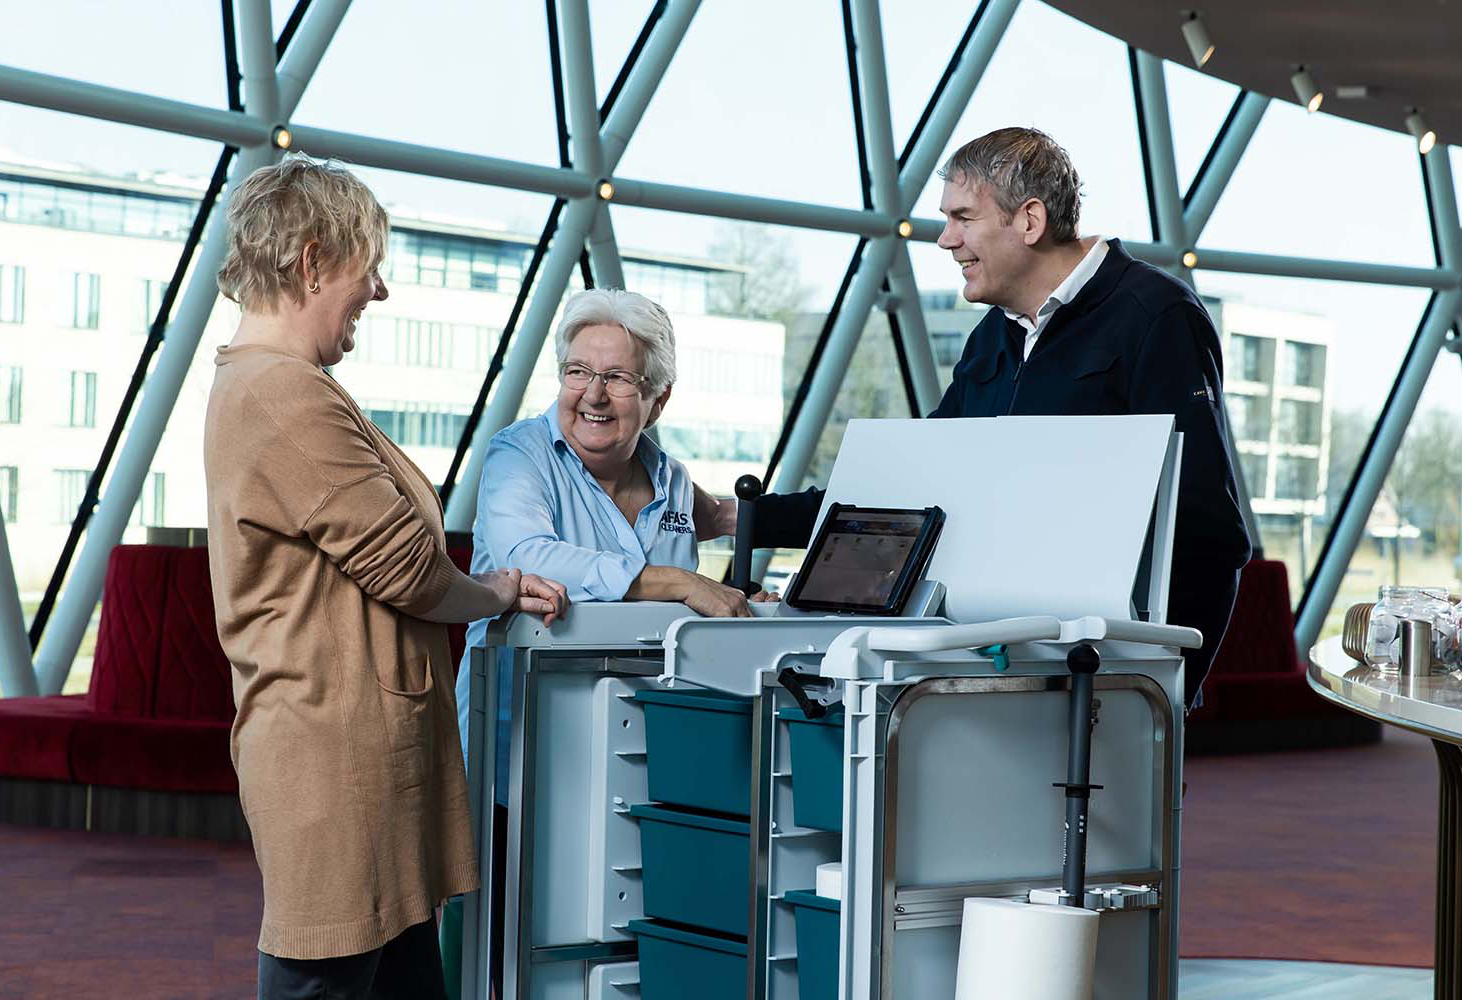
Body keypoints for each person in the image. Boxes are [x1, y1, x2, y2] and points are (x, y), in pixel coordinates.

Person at [203, 154, 566, 1000]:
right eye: (370, 266)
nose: (380, 290)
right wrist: (499, 591)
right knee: (321, 980)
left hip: (362, 758)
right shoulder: (281, 394)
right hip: (333, 766)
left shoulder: (290, 386)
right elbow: (408, 569)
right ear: (313, 260)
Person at [752, 127, 1251, 706]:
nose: (945, 240)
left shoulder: (1155, 316)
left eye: (963, 217)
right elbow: (912, 493)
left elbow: (1207, 531)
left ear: (1030, 221)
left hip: (1108, 680)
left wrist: (1166, 698)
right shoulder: (994, 336)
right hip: (997, 669)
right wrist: (745, 518)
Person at [461, 287, 772, 783]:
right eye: (578, 371)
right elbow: (526, 559)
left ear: (658, 401)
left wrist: (742, 601)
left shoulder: (672, 479)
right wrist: (680, 583)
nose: (593, 394)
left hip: (644, 745)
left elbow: (725, 521)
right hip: (523, 752)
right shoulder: (519, 454)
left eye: (618, 378)